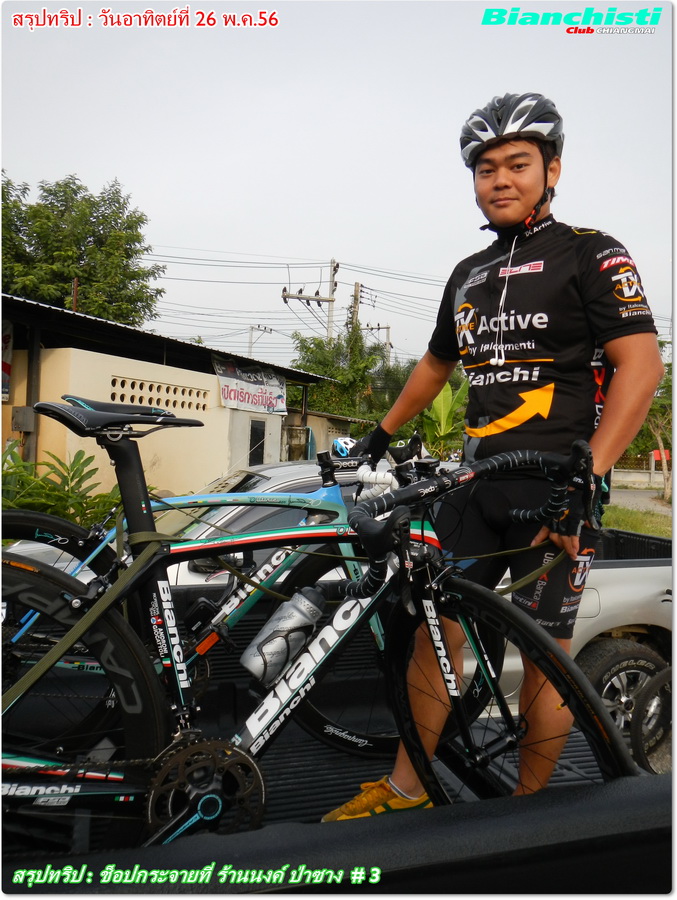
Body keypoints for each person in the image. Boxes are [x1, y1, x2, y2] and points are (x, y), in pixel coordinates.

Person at [322, 92, 664, 821]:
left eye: (517, 164)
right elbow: (434, 364)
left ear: (552, 171)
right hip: (477, 483)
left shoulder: (591, 252)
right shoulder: (468, 273)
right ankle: (406, 789)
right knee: (434, 635)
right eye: (486, 169)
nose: (500, 179)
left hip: (556, 489)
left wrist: (590, 476)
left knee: (545, 658)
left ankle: (526, 815)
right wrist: (379, 435)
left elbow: (640, 367)